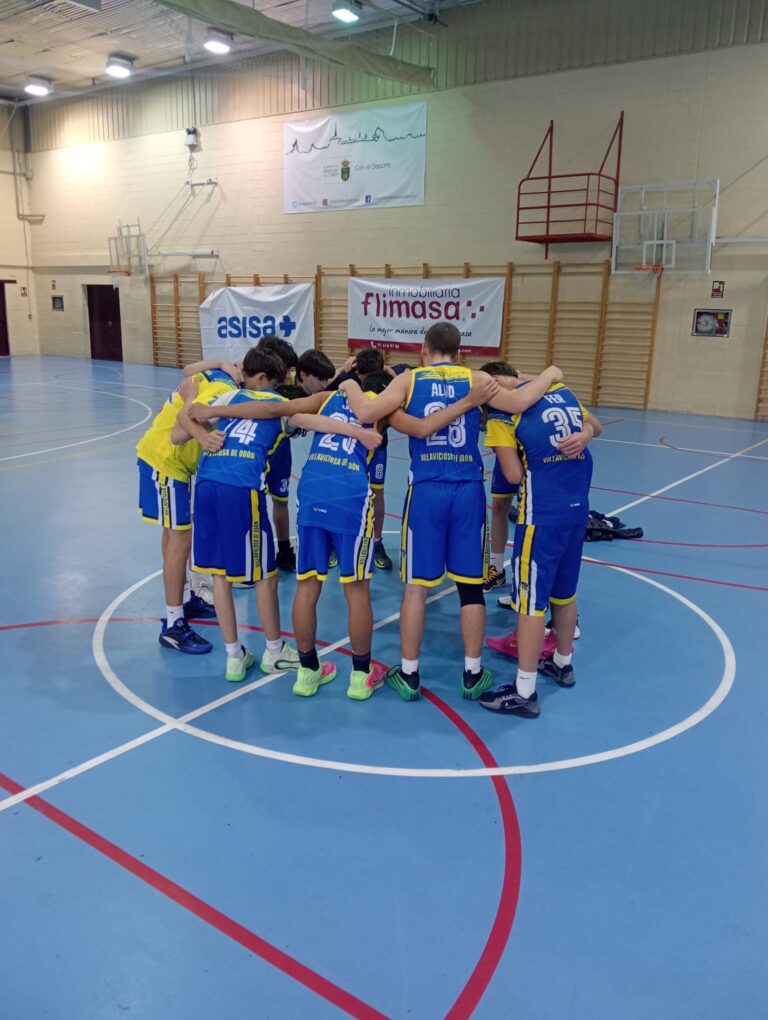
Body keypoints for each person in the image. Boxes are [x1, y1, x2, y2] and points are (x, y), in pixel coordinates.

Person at [341, 321, 562, 702]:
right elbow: (522, 401)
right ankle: (472, 673)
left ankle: (409, 673)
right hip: (467, 492)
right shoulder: (476, 379)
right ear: (460, 353)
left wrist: (347, 383)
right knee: (470, 587)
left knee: (416, 587)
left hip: (427, 490)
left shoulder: (409, 381)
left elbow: (367, 411)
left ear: (423, 350)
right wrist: (550, 373)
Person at [291, 369, 497, 700]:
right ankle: (360, 676)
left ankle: (306, 672)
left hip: (311, 489)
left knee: (307, 584)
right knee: (357, 589)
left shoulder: (329, 398)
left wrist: (347, 385)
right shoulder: (383, 410)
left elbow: (294, 416)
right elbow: (420, 427)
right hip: (353, 494)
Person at [173, 347, 375, 683]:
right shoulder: (279, 408)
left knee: (220, 575)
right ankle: (274, 650)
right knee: (266, 576)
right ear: (272, 381)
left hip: (206, 484)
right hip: (241, 488)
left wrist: (199, 426)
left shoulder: (230, 395)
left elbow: (178, 432)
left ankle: (234, 657)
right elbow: (303, 418)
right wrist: (355, 430)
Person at [478, 378, 602, 718]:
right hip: (577, 510)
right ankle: (562, 663)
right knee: (565, 593)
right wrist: (584, 436)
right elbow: (596, 426)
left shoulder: (502, 417)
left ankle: (524, 691)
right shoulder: (561, 392)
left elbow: (513, 475)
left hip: (541, 517)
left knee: (530, 603)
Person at [136, 364, 238, 655]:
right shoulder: (224, 392)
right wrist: (205, 437)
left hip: (170, 463)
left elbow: (189, 370)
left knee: (175, 537)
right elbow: (180, 432)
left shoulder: (220, 376)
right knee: (179, 540)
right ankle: (173, 625)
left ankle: (184, 599)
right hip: (166, 464)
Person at [330, 348, 395, 570]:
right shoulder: (348, 380)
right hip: (352, 446)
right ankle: (335, 541)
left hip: (376, 446)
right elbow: (324, 389)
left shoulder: (388, 381)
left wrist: (391, 373)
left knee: (376, 492)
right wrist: (342, 370)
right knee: (347, 491)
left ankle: (377, 542)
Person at [479, 361, 522, 592]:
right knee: (498, 508)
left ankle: (525, 579)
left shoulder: (528, 391)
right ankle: (496, 568)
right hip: (507, 455)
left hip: (532, 462)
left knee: (529, 518)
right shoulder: (495, 410)